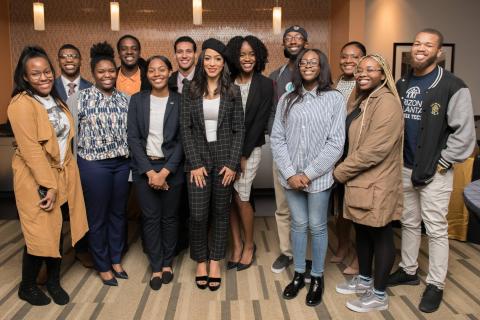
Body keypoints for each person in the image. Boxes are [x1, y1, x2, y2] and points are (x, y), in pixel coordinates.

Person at [388, 28, 476, 313]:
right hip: (405, 166)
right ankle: (409, 269)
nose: (420, 48)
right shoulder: (402, 82)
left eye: (428, 45)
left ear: (440, 53)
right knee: (410, 222)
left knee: (436, 228)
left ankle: (436, 283)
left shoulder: (453, 85)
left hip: (435, 171)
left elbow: (464, 134)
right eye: (416, 43)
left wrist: (443, 162)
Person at [8, 46, 88, 305]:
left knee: (55, 230)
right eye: (35, 74)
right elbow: (31, 150)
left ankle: (53, 282)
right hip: (36, 178)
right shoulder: (21, 104)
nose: (42, 77)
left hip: (62, 173)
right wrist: (48, 186)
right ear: (25, 77)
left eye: (46, 72)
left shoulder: (54, 99)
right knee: (39, 232)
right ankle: (27, 285)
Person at [271, 49, 345, 306]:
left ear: (322, 66)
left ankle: (317, 276)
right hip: (290, 178)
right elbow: (278, 139)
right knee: (298, 225)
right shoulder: (287, 99)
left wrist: (309, 173)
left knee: (318, 225)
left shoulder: (334, 98)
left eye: (313, 62)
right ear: (298, 67)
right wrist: (291, 174)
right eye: (303, 62)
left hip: (319, 178)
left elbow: (336, 143)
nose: (308, 65)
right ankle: (300, 273)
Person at [334, 54, 403, 312]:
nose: (362, 73)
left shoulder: (386, 103)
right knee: (362, 232)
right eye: (360, 69)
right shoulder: (363, 100)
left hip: (377, 182)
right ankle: (364, 280)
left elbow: (374, 150)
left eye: (370, 70)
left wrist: (339, 172)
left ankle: (379, 294)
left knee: (381, 234)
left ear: (383, 75)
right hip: (360, 180)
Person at [180, 38, 244, 291]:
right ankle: (200, 259)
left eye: (217, 58)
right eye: (207, 58)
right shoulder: (189, 89)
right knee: (197, 215)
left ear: (224, 63)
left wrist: (232, 164)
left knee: (220, 213)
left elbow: (239, 130)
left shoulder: (233, 91)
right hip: (197, 163)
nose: (212, 63)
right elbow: (185, 127)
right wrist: (194, 162)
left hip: (224, 163)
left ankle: (215, 260)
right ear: (201, 60)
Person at [68, 42, 130, 286]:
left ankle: (116, 258)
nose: (107, 75)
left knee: (118, 213)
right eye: (101, 71)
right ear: (93, 73)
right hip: (93, 165)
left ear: (116, 72)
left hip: (121, 164)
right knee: (98, 216)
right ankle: (102, 264)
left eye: (111, 71)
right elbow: (71, 135)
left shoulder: (126, 99)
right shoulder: (79, 98)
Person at [127, 55, 184, 290]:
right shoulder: (137, 100)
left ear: (170, 72)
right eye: (152, 70)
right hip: (145, 169)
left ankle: (168, 262)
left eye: (162, 69)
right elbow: (133, 138)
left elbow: (184, 139)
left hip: (172, 168)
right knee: (150, 219)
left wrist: (166, 171)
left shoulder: (180, 101)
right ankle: (156, 265)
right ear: (146, 74)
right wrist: (150, 173)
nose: (157, 74)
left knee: (170, 218)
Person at [225, 35, 273, 271]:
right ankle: (235, 245)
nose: (247, 58)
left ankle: (250, 245)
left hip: (249, 150)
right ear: (235, 56)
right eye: (243, 54)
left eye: (252, 54)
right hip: (225, 149)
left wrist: (241, 156)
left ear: (259, 56)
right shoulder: (226, 81)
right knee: (229, 199)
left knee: (242, 197)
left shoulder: (265, 84)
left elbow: (258, 123)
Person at [268, 25, 310, 275]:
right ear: (284, 44)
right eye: (288, 38)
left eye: (298, 37)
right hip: (283, 153)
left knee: (307, 209)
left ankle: (306, 255)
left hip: (310, 154)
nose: (293, 40)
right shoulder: (276, 74)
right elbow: (273, 112)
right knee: (283, 206)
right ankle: (287, 253)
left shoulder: (317, 72)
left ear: (306, 42)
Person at [53, 43, 93, 269]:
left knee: (82, 207)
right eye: (64, 56)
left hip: (82, 159)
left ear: (80, 60)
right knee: (56, 210)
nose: (69, 59)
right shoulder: (49, 86)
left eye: (73, 56)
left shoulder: (90, 87)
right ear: (58, 60)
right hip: (55, 160)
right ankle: (52, 255)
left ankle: (82, 249)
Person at [330, 41, 367, 275]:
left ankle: (361, 258)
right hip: (337, 151)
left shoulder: (366, 83)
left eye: (354, 57)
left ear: (363, 59)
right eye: (344, 56)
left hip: (356, 152)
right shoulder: (336, 83)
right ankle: (343, 245)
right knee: (340, 206)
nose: (348, 61)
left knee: (358, 206)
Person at [168, 36, 198, 254]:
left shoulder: (207, 80)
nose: (184, 55)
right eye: (180, 51)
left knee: (197, 201)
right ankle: (178, 243)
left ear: (195, 54)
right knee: (176, 199)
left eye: (189, 51)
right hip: (172, 149)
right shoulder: (165, 80)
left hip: (198, 149)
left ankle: (198, 243)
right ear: (175, 54)